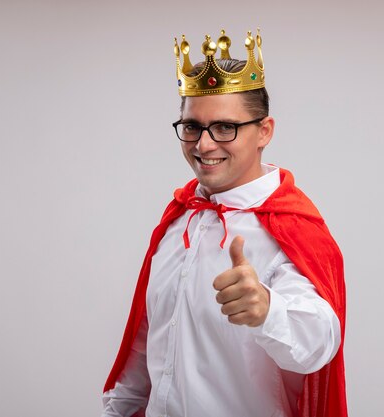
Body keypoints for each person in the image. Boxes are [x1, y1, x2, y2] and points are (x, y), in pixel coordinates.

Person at [101, 29, 347, 417]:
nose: (203, 145)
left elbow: (319, 342)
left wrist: (268, 309)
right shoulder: (177, 221)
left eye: (225, 128)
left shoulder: (290, 229)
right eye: (192, 127)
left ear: (264, 131)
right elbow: (145, 346)